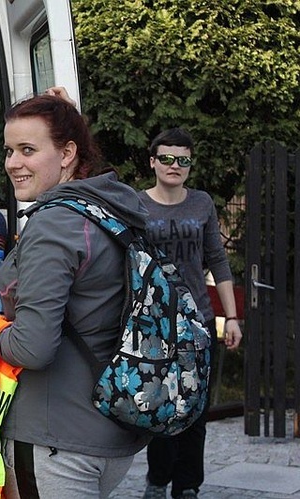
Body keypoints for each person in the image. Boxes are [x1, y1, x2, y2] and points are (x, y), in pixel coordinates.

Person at [0, 93, 151, 498]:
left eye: (28, 150)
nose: (14, 163)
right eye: (10, 150)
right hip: (110, 432)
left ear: (67, 153)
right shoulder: (106, 209)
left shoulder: (53, 225)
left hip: (55, 438)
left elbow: (33, 348)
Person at [139, 127, 243, 499]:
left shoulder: (201, 204)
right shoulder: (137, 205)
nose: (174, 166)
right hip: (153, 324)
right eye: (166, 158)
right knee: (162, 408)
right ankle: (157, 480)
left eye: (182, 160)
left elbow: (217, 260)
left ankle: (188, 487)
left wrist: (230, 317)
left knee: (196, 412)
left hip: (197, 322)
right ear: (153, 161)